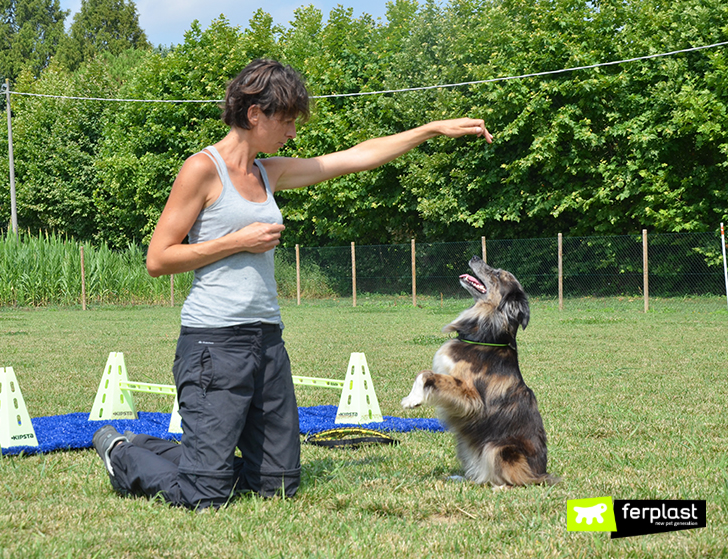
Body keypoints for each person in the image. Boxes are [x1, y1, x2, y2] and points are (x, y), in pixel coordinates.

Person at [93, 58, 493, 510]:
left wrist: (431, 129)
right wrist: (236, 241)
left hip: (266, 343)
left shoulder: (269, 171)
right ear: (254, 114)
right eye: (285, 120)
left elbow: (354, 158)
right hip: (213, 346)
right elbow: (158, 258)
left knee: (278, 485)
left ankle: (194, 458)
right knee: (204, 495)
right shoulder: (201, 170)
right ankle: (123, 452)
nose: (292, 132)